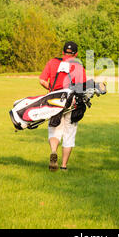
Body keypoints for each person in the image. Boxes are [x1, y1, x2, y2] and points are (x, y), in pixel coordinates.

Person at [39, 41, 86, 172]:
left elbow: (42, 80)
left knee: (54, 130)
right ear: (76, 54)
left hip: (54, 101)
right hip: (71, 103)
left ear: (63, 52)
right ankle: (64, 166)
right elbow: (81, 87)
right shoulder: (78, 67)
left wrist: (52, 88)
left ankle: (54, 150)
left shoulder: (53, 62)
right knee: (69, 134)